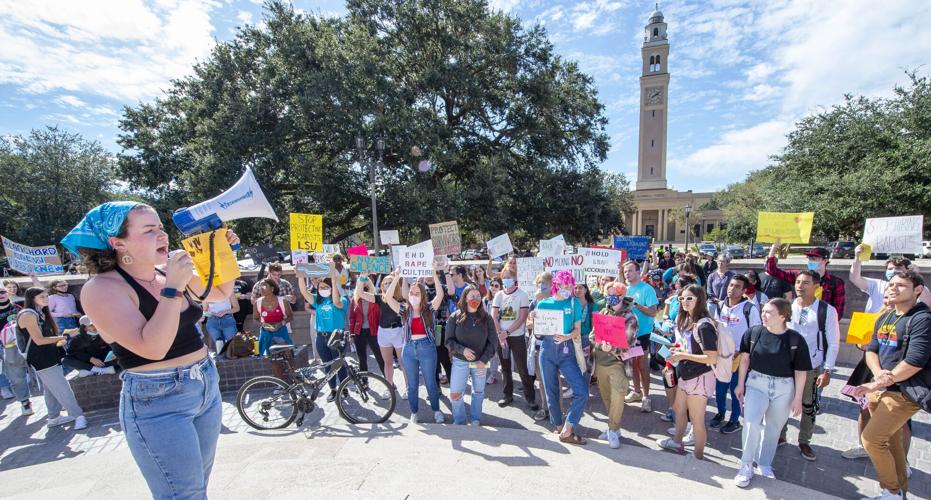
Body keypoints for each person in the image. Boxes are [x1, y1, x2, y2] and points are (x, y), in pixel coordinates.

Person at [66, 202, 238, 498]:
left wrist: (219, 250)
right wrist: (173, 287)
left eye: (160, 227)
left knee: (196, 489)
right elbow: (153, 348)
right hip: (157, 400)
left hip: (204, 385)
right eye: (149, 230)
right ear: (117, 243)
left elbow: (220, 292)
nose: (162, 235)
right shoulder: (101, 288)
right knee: (185, 494)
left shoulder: (164, 270)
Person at [853, 271, 930, 500]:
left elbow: (915, 361)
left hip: (904, 393)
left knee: (871, 440)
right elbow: (871, 350)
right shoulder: (886, 316)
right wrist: (878, 377)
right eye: (892, 284)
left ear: (917, 290)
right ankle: (899, 493)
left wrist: (879, 383)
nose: (893, 288)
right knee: (892, 442)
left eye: (901, 285)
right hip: (882, 388)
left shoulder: (922, 319)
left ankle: (891, 491)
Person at [733, 298, 812, 488]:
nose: (763, 315)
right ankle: (746, 465)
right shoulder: (754, 333)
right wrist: (740, 384)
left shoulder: (795, 340)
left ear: (783, 316)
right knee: (751, 423)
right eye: (763, 311)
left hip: (784, 388)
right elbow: (744, 360)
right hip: (756, 384)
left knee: (773, 428)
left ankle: (765, 464)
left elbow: (801, 371)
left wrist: (798, 398)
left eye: (769, 312)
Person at [778, 270, 840, 461]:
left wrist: (827, 369)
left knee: (808, 406)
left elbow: (834, 342)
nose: (800, 286)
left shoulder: (826, 310)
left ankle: (804, 440)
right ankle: (780, 435)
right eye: (797, 282)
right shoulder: (787, 307)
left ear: (816, 286)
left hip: (811, 367)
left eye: (805, 283)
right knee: (781, 403)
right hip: (785, 366)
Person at [656, 285, 717, 459]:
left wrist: (682, 355)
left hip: (701, 377)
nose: (684, 301)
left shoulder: (704, 325)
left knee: (697, 420)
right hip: (686, 373)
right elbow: (687, 346)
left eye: (689, 298)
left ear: (700, 300)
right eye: (682, 298)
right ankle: (677, 442)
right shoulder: (686, 319)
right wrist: (675, 352)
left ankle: (698, 457)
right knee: (678, 408)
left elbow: (712, 358)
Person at [17, 287, 87, 430]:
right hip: (40, 358)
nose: (46, 299)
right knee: (62, 387)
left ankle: (54, 417)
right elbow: (39, 340)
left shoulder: (40, 312)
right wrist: (66, 336)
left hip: (50, 354)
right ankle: (78, 415)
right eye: (41, 297)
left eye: (46, 296)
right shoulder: (28, 315)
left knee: (50, 388)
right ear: (32, 298)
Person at [532, 270, 589, 444]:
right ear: (556, 286)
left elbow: (578, 329)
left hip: (566, 350)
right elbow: (537, 332)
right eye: (565, 287)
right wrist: (533, 318)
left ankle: (568, 427)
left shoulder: (573, 303)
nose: (569, 290)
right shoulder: (542, 304)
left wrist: (567, 336)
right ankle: (558, 426)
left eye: (570, 287)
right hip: (547, 350)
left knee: (581, 391)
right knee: (551, 391)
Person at [384, 264, 445, 424]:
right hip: (409, 349)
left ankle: (436, 411)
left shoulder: (429, 309)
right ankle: (414, 412)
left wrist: (434, 273)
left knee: (430, 382)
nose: (413, 295)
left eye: (417, 293)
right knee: (412, 385)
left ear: (422, 295)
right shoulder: (404, 310)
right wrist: (397, 277)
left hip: (427, 348)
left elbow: (440, 294)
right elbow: (388, 298)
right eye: (411, 293)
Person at [710, 275, 760, 434]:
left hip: (739, 358)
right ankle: (720, 413)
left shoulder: (750, 309)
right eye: (731, 285)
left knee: (736, 390)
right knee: (719, 389)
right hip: (722, 357)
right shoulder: (720, 306)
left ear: (744, 290)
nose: (732, 289)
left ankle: (735, 420)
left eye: (737, 286)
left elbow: (756, 334)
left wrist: (743, 352)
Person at [591, 290, 639, 449]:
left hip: (618, 363)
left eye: (613, 294)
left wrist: (611, 348)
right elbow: (593, 335)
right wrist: (600, 343)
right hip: (600, 362)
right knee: (607, 397)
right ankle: (615, 429)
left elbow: (629, 343)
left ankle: (612, 429)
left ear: (621, 296)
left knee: (618, 396)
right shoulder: (604, 311)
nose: (609, 298)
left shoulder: (630, 318)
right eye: (608, 294)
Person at [445, 286, 497, 425]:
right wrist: (462, 350)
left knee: (478, 392)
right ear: (465, 298)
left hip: (480, 362)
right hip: (460, 361)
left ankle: (475, 419)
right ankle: (460, 421)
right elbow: (448, 341)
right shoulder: (455, 316)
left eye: (478, 296)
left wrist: (483, 360)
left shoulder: (487, 319)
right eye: (472, 296)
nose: (475, 299)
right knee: (456, 393)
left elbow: (493, 343)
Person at [492, 268, 537, 411]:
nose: (506, 280)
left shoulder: (522, 294)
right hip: (501, 338)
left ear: (514, 278)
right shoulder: (499, 295)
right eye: (504, 277)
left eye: (509, 277)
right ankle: (507, 395)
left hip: (516, 336)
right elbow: (494, 315)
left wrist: (507, 332)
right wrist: (500, 333)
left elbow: (523, 317)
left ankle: (530, 398)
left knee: (522, 368)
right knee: (505, 368)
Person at [766, 244, 846, 318]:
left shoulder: (836, 282)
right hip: (801, 317)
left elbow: (838, 310)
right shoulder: (800, 275)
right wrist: (773, 248)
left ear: (825, 261)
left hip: (822, 320)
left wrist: (826, 322)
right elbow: (772, 270)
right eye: (810, 258)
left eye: (814, 259)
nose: (811, 261)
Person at [303, 270, 348, 402]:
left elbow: (336, 302)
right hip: (321, 337)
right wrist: (300, 276)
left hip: (336, 337)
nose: (322, 289)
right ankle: (333, 389)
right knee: (327, 365)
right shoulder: (318, 301)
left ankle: (344, 388)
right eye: (321, 287)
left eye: (325, 287)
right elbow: (305, 293)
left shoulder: (342, 300)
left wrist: (333, 281)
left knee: (339, 364)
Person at [623, 261, 659, 413]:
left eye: (630, 271)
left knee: (642, 365)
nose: (627, 274)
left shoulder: (647, 289)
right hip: (628, 334)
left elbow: (653, 312)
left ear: (638, 272)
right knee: (633, 364)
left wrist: (636, 305)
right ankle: (636, 392)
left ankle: (646, 397)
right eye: (625, 271)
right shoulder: (624, 289)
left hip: (642, 333)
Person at [849, 247, 931, 313]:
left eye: (898, 268)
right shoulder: (877, 284)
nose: (894, 271)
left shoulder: (916, 288)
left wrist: (915, 276)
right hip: (873, 325)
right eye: (890, 268)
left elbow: (927, 304)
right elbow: (854, 278)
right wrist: (857, 258)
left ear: (908, 270)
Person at [370, 273, 407, 397]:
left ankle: (408, 388)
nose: (387, 285)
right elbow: (360, 294)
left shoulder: (402, 298)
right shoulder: (380, 298)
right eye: (385, 283)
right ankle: (389, 387)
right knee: (388, 362)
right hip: (384, 332)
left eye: (390, 282)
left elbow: (393, 296)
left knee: (403, 363)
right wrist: (362, 278)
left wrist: (399, 277)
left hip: (398, 331)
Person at [348, 273, 385, 376]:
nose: (364, 285)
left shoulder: (375, 298)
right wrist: (351, 334)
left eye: (365, 283)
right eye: (361, 283)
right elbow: (352, 318)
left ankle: (389, 381)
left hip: (373, 332)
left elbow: (380, 316)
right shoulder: (355, 299)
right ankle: (364, 382)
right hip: (359, 332)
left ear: (369, 284)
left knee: (380, 358)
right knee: (362, 360)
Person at [255, 278, 294, 357]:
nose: (261, 288)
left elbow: (290, 316)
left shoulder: (282, 301)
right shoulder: (257, 303)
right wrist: (263, 325)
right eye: (260, 286)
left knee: (288, 354)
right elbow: (255, 319)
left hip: (281, 330)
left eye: (264, 286)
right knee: (269, 357)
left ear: (272, 288)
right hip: (266, 333)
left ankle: (292, 368)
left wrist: (281, 323)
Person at [483, 277, 502, 384]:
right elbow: (484, 316)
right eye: (492, 285)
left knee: (503, 353)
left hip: (502, 330)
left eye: (496, 286)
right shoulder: (485, 300)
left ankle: (505, 370)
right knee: (493, 354)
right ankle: (493, 374)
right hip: (490, 331)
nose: (493, 288)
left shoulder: (504, 299)